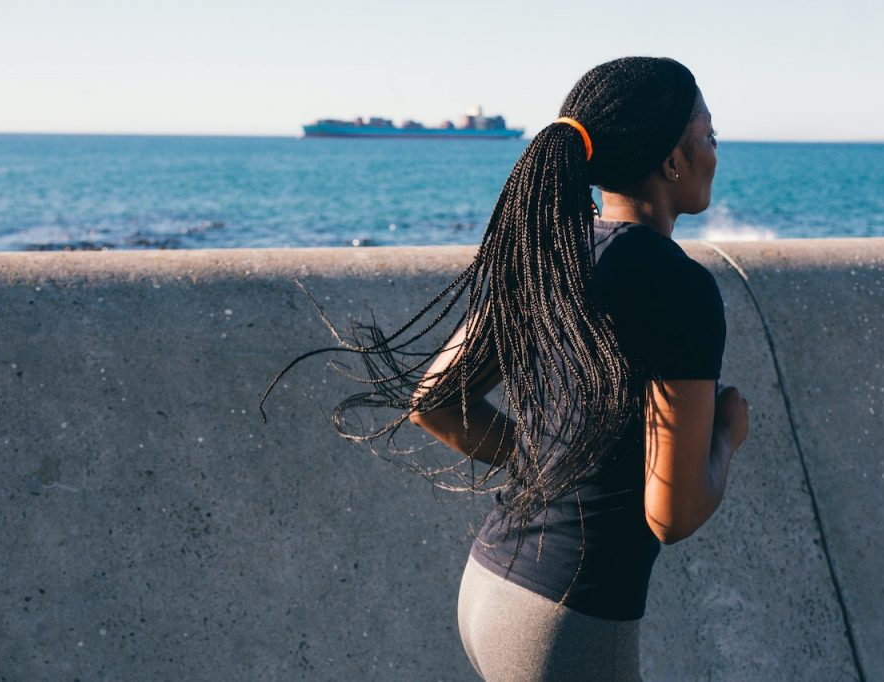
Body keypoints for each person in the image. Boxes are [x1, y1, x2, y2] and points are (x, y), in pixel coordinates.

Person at [264, 56, 749, 682]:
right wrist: (726, 439)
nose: (715, 150)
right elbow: (673, 513)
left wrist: (547, 460)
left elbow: (434, 400)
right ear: (671, 161)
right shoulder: (680, 287)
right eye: (709, 135)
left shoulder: (553, 251)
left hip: (491, 586)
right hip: (568, 621)